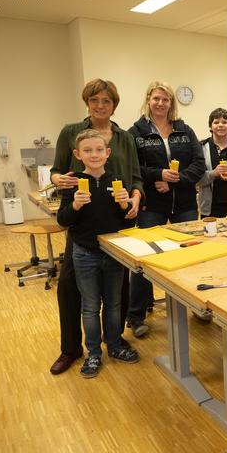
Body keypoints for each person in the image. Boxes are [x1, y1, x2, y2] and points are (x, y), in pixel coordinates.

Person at [49, 78, 143, 375]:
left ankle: (114, 341)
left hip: (115, 233)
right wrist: (61, 184)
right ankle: (74, 349)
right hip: (83, 237)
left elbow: (136, 178)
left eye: (107, 101)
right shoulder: (71, 133)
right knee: (73, 291)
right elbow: (56, 172)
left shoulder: (124, 138)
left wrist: (134, 200)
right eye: (95, 100)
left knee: (115, 295)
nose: (101, 106)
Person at [128, 81, 206, 337]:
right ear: (148, 100)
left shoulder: (185, 130)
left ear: (171, 103)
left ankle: (196, 305)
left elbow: (198, 163)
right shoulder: (135, 133)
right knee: (145, 259)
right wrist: (156, 175)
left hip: (183, 203)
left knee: (190, 257)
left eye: (166, 100)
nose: (161, 104)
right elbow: (133, 168)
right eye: (156, 99)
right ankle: (136, 315)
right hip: (152, 205)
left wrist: (177, 179)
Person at [198, 108, 227, 218]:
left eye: (224, 122)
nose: (220, 125)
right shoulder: (201, 148)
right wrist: (214, 173)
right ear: (210, 126)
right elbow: (197, 179)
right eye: (216, 122)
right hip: (209, 208)